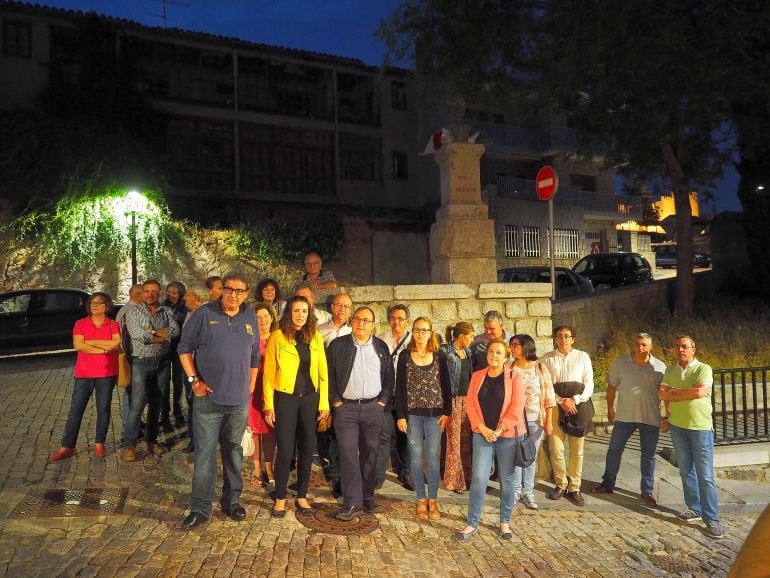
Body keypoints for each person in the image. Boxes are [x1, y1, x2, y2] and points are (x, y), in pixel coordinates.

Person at [177, 273, 260, 529]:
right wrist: (194, 382)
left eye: (239, 290)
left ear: (246, 294)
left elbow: (254, 357)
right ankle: (200, 509)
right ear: (221, 290)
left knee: (234, 453)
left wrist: (250, 387)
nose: (233, 294)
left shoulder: (250, 318)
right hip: (208, 400)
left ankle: (231, 501)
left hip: (238, 402)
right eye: (229, 289)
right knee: (204, 455)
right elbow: (184, 349)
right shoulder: (204, 314)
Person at [263, 295, 329, 518]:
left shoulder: (316, 337)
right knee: (285, 449)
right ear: (288, 312)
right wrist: (268, 406)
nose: (300, 315)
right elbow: (269, 375)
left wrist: (324, 404)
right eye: (296, 311)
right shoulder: (278, 337)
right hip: (286, 399)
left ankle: (301, 494)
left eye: (304, 311)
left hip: (310, 399)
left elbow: (323, 374)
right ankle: (280, 497)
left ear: (309, 313)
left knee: (307, 449)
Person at [327, 306, 394, 521]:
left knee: (370, 454)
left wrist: (383, 401)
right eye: (357, 319)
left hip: (373, 408)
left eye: (366, 320)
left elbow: (389, 378)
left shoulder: (381, 347)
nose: (361, 323)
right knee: (348, 455)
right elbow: (328, 376)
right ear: (351, 321)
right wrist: (336, 401)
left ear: (373, 324)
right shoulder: (338, 345)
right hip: (345, 409)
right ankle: (351, 502)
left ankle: (367, 497)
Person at [455, 339, 526, 541]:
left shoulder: (514, 377)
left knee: (507, 479)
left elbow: (517, 407)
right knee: (478, 478)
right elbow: (470, 405)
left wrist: (500, 428)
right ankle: (472, 523)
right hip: (482, 435)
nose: (494, 355)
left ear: (506, 357)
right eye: (491, 352)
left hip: (507, 436)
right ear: (487, 355)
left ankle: (504, 522)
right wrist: (482, 428)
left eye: (499, 353)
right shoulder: (477, 376)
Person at [658, 335, 722, 539]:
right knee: (686, 471)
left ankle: (711, 519)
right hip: (677, 426)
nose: (680, 350)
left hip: (700, 428)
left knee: (705, 476)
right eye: (677, 346)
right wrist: (669, 410)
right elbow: (662, 394)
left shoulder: (704, 369)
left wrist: (675, 392)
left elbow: (700, 392)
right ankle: (694, 508)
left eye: (684, 347)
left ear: (693, 349)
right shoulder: (670, 370)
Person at [591, 332, 666, 505]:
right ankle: (607, 484)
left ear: (651, 347)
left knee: (648, 456)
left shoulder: (660, 367)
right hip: (624, 417)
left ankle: (647, 490)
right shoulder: (621, 363)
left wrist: (666, 416)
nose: (640, 348)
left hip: (650, 417)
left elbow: (666, 394)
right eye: (637, 344)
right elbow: (611, 388)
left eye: (644, 345)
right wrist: (610, 409)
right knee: (614, 451)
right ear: (633, 345)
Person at [50, 292, 121, 461]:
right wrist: (104, 348)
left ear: (106, 306)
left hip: (106, 372)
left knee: (103, 409)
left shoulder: (113, 325)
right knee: (76, 410)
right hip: (84, 373)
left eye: (98, 302)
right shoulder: (80, 324)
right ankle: (67, 446)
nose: (94, 305)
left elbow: (116, 344)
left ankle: (99, 444)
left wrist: (91, 342)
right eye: (92, 302)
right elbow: (78, 346)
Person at [395, 317, 451, 520]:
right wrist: (401, 415)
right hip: (413, 416)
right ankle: (421, 499)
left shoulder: (440, 356)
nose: (420, 334)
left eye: (424, 330)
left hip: (435, 415)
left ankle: (433, 500)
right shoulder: (404, 356)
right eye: (417, 330)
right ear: (413, 332)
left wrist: (447, 412)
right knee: (416, 459)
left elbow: (446, 385)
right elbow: (400, 388)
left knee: (434, 459)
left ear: (431, 333)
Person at [122, 280, 180, 462]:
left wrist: (153, 332)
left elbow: (176, 330)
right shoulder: (132, 311)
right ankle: (129, 445)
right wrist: (161, 336)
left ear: (160, 293)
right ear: (142, 293)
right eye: (147, 291)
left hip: (162, 364)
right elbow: (138, 335)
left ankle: (151, 440)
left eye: (154, 291)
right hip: (141, 363)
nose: (150, 294)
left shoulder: (166, 311)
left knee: (157, 403)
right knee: (138, 404)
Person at [540, 325, 594, 506]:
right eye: (560, 336)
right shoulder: (547, 358)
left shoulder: (583, 357)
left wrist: (575, 399)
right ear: (556, 339)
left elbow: (589, 383)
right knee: (556, 448)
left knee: (576, 450)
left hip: (578, 407)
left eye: (567, 336)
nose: (563, 339)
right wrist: (560, 400)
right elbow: (544, 384)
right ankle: (560, 484)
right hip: (556, 406)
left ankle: (575, 488)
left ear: (573, 339)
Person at [508, 334, 555, 510]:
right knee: (516, 455)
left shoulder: (540, 368)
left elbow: (549, 398)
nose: (512, 348)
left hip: (536, 418)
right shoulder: (509, 367)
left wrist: (549, 421)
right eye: (511, 345)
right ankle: (515, 491)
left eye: (515, 345)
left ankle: (528, 492)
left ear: (526, 346)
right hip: (515, 419)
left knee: (530, 456)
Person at [317, 291, 354, 492]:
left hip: (348, 390)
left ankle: (342, 475)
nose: (341, 310)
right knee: (326, 430)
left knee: (344, 432)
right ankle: (333, 472)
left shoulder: (355, 331)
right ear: (332, 307)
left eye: (346, 307)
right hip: (325, 387)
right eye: (338, 305)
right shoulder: (320, 330)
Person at [376, 304, 413, 490]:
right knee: (383, 434)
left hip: (406, 396)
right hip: (386, 394)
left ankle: (406, 473)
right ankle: (377, 476)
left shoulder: (415, 341)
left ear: (407, 321)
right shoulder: (381, 340)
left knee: (406, 435)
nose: (396, 322)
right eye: (393, 318)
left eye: (400, 318)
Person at [440, 321, 475, 494]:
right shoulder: (445, 351)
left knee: (465, 441)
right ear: (461, 336)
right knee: (453, 441)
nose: (472, 340)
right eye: (470, 336)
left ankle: (467, 478)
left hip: (467, 401)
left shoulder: (467, 352)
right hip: (453, 400)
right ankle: (454, 481)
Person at [247, 302, 277, 488]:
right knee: (254, 431)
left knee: (270, 429)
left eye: (266, 316)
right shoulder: (248, 339)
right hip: (252, 389)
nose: (263, 320)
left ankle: (270, 466)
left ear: (272, 318)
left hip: (272, 390)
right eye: (258, 317)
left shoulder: (278, 338)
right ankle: (257, 468)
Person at [180, 283, 208, 454]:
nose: (184, 297)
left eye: (188, 295)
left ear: (197, 298)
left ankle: (196, 440)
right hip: (190, 365)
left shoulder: (201, 314)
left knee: (195, 402)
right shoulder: (193, 313)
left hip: (195, 367)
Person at [115, 283, 143, 447]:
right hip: (132, 357)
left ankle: (133, 426)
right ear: (137, 295)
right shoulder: (128, 312)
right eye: (143, 294)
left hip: (132, 357)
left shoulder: (128, 310)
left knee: (134, 395)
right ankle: (128, 430)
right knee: (131, 395)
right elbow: (125, 339)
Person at [161, 281, 187, 427]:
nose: (170, 295)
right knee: (163, 382)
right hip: (165, 349)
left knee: (178, 382)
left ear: (180, 294)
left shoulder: (185, 309)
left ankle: (178, 412)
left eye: (174, 293)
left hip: (178, 349)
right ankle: (164, 414)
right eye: (169, 292)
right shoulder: (162, 307)